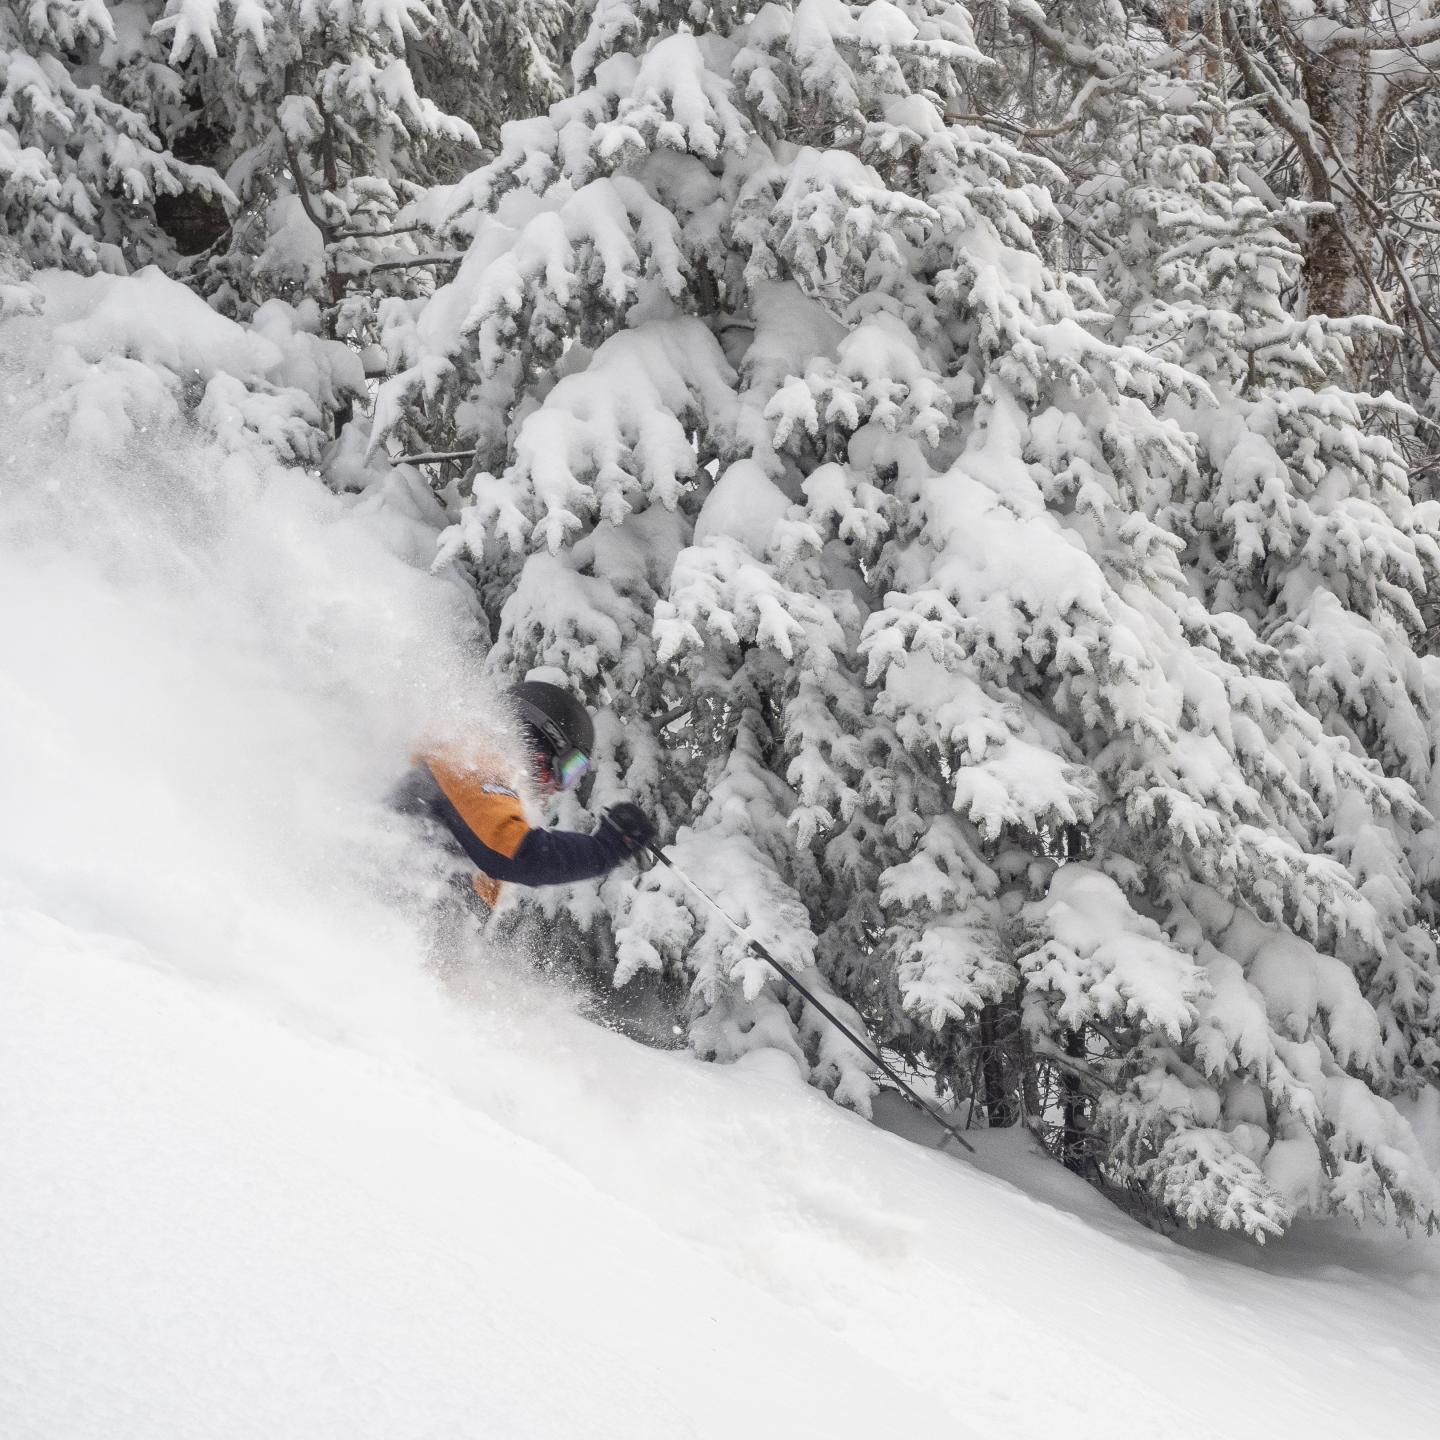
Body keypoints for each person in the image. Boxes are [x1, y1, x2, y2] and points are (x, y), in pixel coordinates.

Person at [392, 680, 656, 918]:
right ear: (540, 739)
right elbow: (520, 855)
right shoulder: (472, 760)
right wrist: (607, 849)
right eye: (566, 768)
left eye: (574, 775)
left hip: (395, 929)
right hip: (384, 906)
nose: (558, 788)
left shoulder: (481, 791)